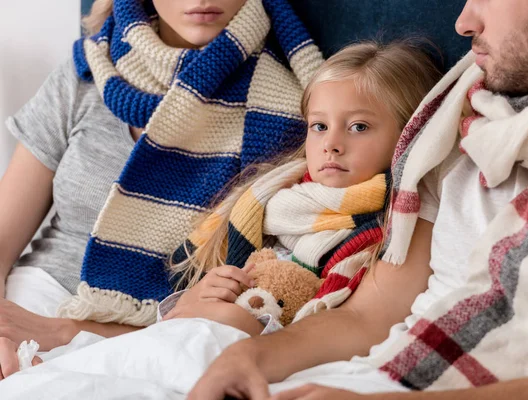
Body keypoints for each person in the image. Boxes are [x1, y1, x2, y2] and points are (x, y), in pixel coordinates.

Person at [183, 0, 528, 399]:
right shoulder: (458, 122)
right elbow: (368, 316)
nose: (463, 23)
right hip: (368, 368)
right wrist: (246, 358)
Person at [0, 40, 441, 380]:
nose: (332, 143)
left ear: (407, 135)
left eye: (359, 126)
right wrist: (210, 292)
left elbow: (352, 314)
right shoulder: (274, 196)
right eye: (319, 126)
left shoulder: (391, 221)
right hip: (190, 316)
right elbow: (211, 276)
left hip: (265, 333)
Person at [0, 0, 321, 352]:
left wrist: (66, 332)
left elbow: (244, 304)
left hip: (166, 331)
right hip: (36, 296)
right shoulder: (88, 71)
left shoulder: (287, 111)